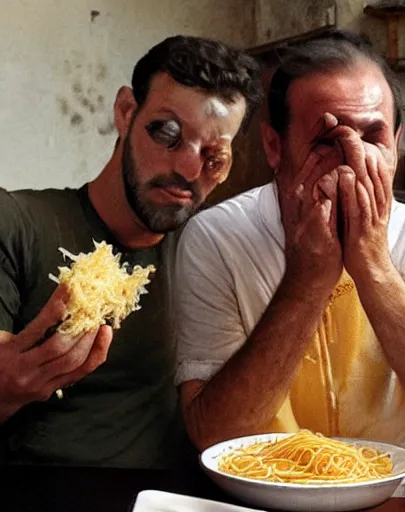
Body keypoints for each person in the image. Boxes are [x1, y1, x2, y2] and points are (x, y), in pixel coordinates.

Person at [174, 30, 405, 497]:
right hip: (268, 499)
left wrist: (375, 268)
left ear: (396, 145)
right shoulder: (218, 238)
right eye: (328, 140)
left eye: (373, 137)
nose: (355, 158)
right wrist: (307, 277)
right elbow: (215, 436)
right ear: (274, 147)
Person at [0, 35, 262, 468]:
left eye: (214, 155)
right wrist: (10, 387)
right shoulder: (17, 222)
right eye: (167, 134)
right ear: (126, 112)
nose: (188, 169)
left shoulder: (216, 252)